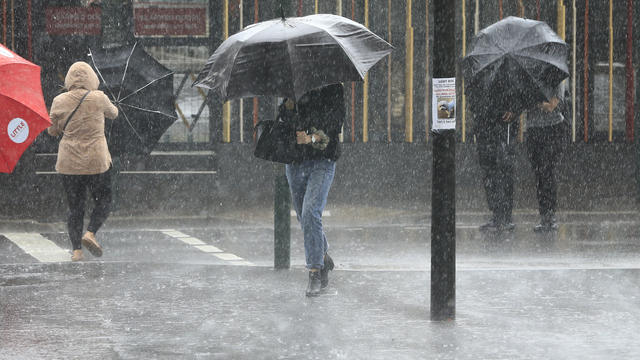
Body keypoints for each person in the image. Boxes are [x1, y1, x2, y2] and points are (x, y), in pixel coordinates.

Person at [47, 61, 118, 261]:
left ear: (69, 79)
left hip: (70, 163)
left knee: (75, 207)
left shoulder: (59, 100)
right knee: (103, 201)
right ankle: (90, 232)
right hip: (96, 161)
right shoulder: (99, 97)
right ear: (91, 78)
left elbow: (52, 131)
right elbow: (114, 114)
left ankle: (76, 250)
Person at [280, 83, 344, 297]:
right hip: (295, 161)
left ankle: (315, 273)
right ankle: (323, 255)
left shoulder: (334, 87)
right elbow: (285, 123)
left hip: (322, 161)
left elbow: (335, 124)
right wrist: (288, 108)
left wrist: (312, 137)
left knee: (310, 212)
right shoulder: (294, 85)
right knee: (303, 216)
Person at [525, 83, 569, 232]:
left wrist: (534, 102)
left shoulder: (556, 76)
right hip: (533, 130)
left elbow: (551, 105)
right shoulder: (528, 78)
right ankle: (544, 215)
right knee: (539, 174)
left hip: (552, 129)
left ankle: (550, 215)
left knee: (547, 171)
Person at [475, 105, 521, 233]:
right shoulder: (481, 87)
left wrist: (514, 111)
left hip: (503, 127)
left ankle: (504, 215)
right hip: (486, 126)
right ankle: (498, 214)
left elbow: (520, 100)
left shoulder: (509, 88)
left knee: (502, 171)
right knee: (490, 173)